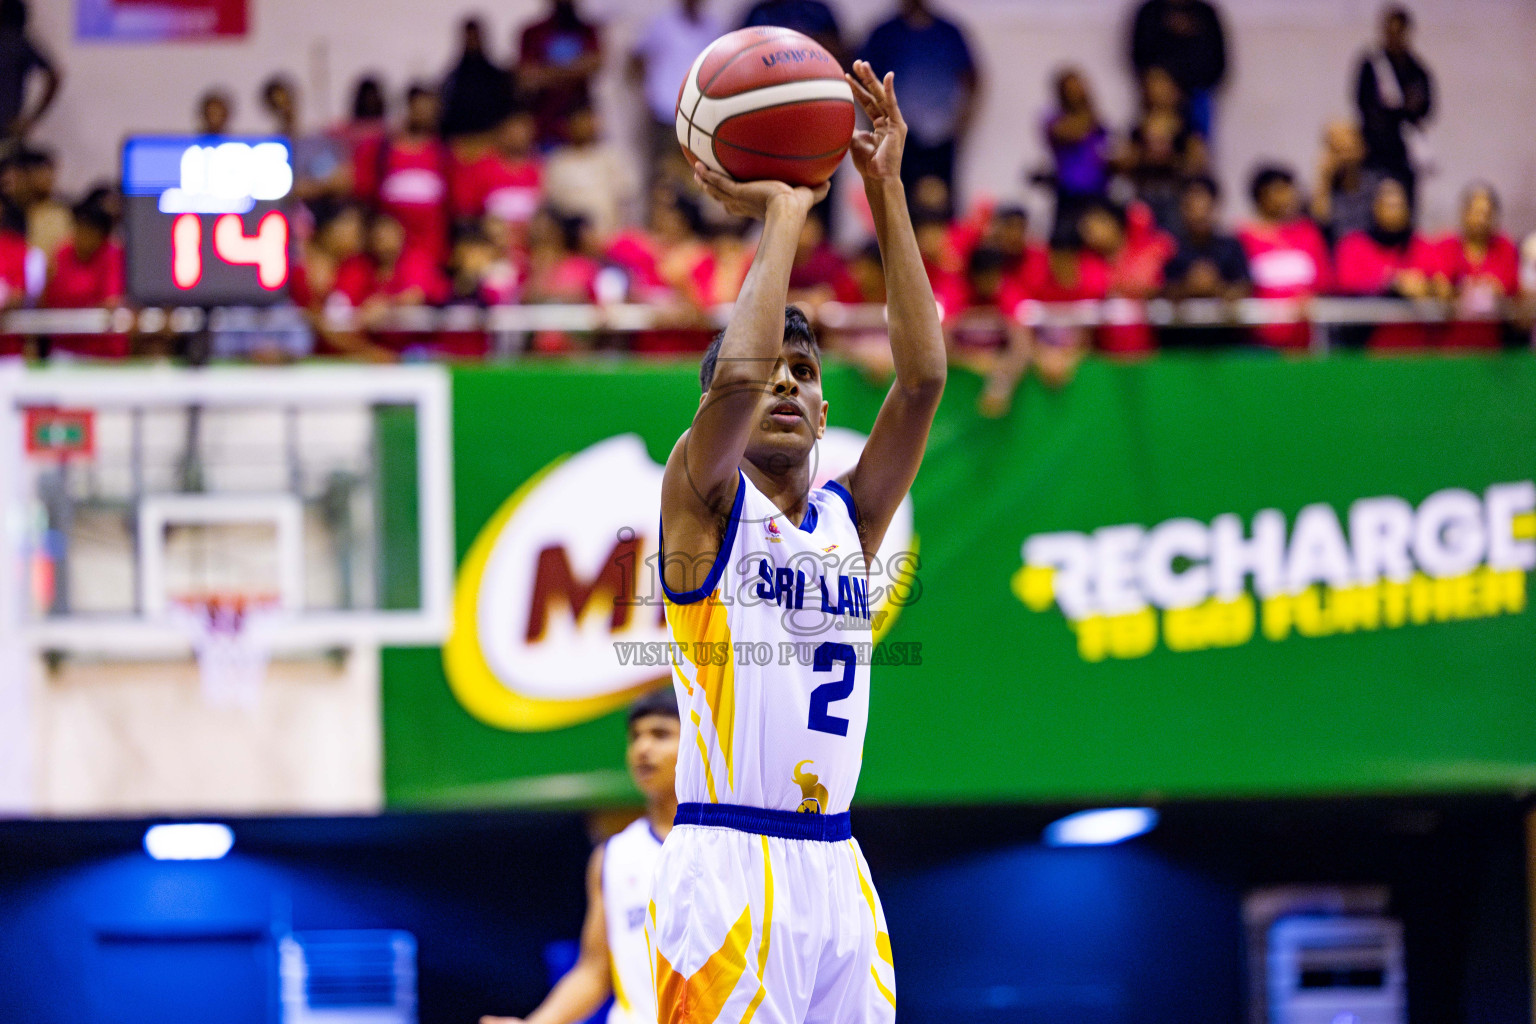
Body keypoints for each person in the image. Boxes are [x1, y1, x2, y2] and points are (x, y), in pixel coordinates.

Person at [652, 61, 941, 1023]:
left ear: (824, 407)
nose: (782, 383)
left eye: (803, 369)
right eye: (770, 364)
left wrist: (886, 185)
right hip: (725, 860)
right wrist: (784, 210)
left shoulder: (850, 521)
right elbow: (731, 385)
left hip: (837, 868)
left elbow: (925, 377)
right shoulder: (701, 500)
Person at [480, 690, 681, 1024]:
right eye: (635, 737)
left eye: (660, 734)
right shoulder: (614, 856)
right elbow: (594, 972)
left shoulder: (731, 847)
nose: (643, 748)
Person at [857, 0, 979, 203]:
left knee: (942, 202)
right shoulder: (884, 33)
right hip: (899, 139)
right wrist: (875, 125)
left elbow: (972, 79)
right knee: (898, 201)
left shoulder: (948, 32)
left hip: (941, 137)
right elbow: (862, 79)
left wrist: (961, 122)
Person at [1334, 175, 1442, 350]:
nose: (1394, 211)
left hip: (1419, 350)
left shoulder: (1423, 246)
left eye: (1399, 205)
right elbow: (1347, 287)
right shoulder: (1353, 245)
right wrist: (1394, 285)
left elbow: (1439, 283)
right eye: (1388, 205)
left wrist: (1429, 287)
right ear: (1375, 208)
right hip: (1368, 350)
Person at [629, 0, 723, 199]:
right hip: (665, 114)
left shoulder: (711, 27)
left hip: (699, 117)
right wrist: (650, 90)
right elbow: (636, 58)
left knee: (697, 176)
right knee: (662, 174)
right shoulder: (663, 23)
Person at [353, 84, 452, 266]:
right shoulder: (381, 151)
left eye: (429, 110)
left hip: (431, 255)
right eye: (419, 108)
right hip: (388, 255)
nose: (424, 115)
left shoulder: (443, 154)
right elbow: (364, 192)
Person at [1237, 165, 1332, 351]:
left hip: (1304, 346)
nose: (1287, 197)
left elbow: (1325, 282)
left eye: (1290, 189)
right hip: (1258, 347)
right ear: (1260, 194)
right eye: (1279, 190)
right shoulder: (1242, 237)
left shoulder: (1308, 233)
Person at [1354, 5, 1433, 210]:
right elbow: (1362, 104)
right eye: (1390, 31)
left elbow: (1427, 109)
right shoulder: (1372, 65)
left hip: (1405, 155)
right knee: (1372, 205)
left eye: (1399, 31)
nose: (1394, 37)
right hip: (1374, 153)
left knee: (1405, 207)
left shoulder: (1416, 69)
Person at [1116, 66, 1208, 233]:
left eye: (1162, 85)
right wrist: (1143, 156)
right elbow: (1124, 163)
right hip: (1145, 192)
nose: (1157, 91)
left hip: (1175, 194)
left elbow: (1198, 164)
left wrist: (1172, 159)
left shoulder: (1187, 126)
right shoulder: (1138, 127)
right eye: (1152, 86)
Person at [1162, 175, 1251, 349]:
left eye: (1205, 208)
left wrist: (1215, 288)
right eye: (1191, 208)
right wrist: (1189, 288)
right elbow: (1159, 289)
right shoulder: (1168, 246)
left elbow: (1244, 287)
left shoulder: (1231, 245)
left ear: (1215, 207)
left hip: (1225, 344)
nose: (1198, 214)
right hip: (1178, 345)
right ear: (1182, 208)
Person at [41, 198, 128, 359]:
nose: (82, 236)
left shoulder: (113, 254)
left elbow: (111, 303)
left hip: (103, 351)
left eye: (89, 231)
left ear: (102, 235)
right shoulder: (62, 252)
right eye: (79, 229)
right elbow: (47, 300)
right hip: (64, 349)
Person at [1437, 183, 1519, 351]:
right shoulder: (1447, 245)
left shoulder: (1505, 246)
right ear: (1464, 213)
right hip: (1451, 343)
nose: (1481, 219)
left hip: (1492, 347)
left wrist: (1495, 288)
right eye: (1476, 212)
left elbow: (1511, 285)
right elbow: (1441, 283)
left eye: (1486, 214)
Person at [1129, 0, 1227, 139]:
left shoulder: (1204, 13)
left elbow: (1217, 61)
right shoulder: (1150, 13)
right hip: (1155, 91)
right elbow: (1139, 56)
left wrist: (1182, 84)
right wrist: (1158, 80)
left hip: (1196, 94)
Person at [542, 105, 637, 242]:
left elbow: (625, 200)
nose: (584, 126)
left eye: (587, 120)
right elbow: (551, 203)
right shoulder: (557, 161)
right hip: (570, 241)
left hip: (608, 238)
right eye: (578, 122)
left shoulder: (610, 157)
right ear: (567, 126)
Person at [516, 0, 603, 148]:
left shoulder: (588, 31)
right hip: (545, 123)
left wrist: (547, 72)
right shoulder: (533, 32)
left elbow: (594, 64)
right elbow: (527, 76)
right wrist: (574, 70)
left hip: (581, 123)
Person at [1041, 68, 1110, 236]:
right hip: (1069, 193)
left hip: (1097, 192)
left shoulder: (1096, 119)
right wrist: (1086, 110)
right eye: (1071, 88)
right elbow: (1071, 133)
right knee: (1065, 244)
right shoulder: (1053, 118)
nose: (1076, 92)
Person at [259, 75, 347, 206]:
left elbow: (338, 181)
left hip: (317, 209)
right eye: (277, 105)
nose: (284, 110)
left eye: (286, 102)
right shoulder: (266, 149)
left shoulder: (314, 142)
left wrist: (308, 188)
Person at [1309, 120, 1385, 249]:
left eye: (1348, 149)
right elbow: (1320, 222)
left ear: (1361, 148)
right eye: (1337, 150)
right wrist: (1324, 179)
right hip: (1336, 256)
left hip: (1371, 255)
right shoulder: (1325, 188)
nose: (1344, 158)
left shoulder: (1378, 183)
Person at [440, 18, 515, 143]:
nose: (472, 42)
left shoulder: (497, 77)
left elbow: (505, 111)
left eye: (475, 37)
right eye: (469, 37)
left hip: (490, 142)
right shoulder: (453, 79)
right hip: (459, 144)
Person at [0, 0, 60, 151]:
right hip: (9, 127)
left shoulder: (15, 41)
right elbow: (54, 75)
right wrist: (32, 118)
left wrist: (31, 119)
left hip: (7, 129)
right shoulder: (19, 43)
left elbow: (54, 76)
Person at [741, 0, 846, 65]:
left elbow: (839, 50)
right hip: (769, 69)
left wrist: (806, 43)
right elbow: (743, 51)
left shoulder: (818, 10)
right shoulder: (759, 13)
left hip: (814, 68)